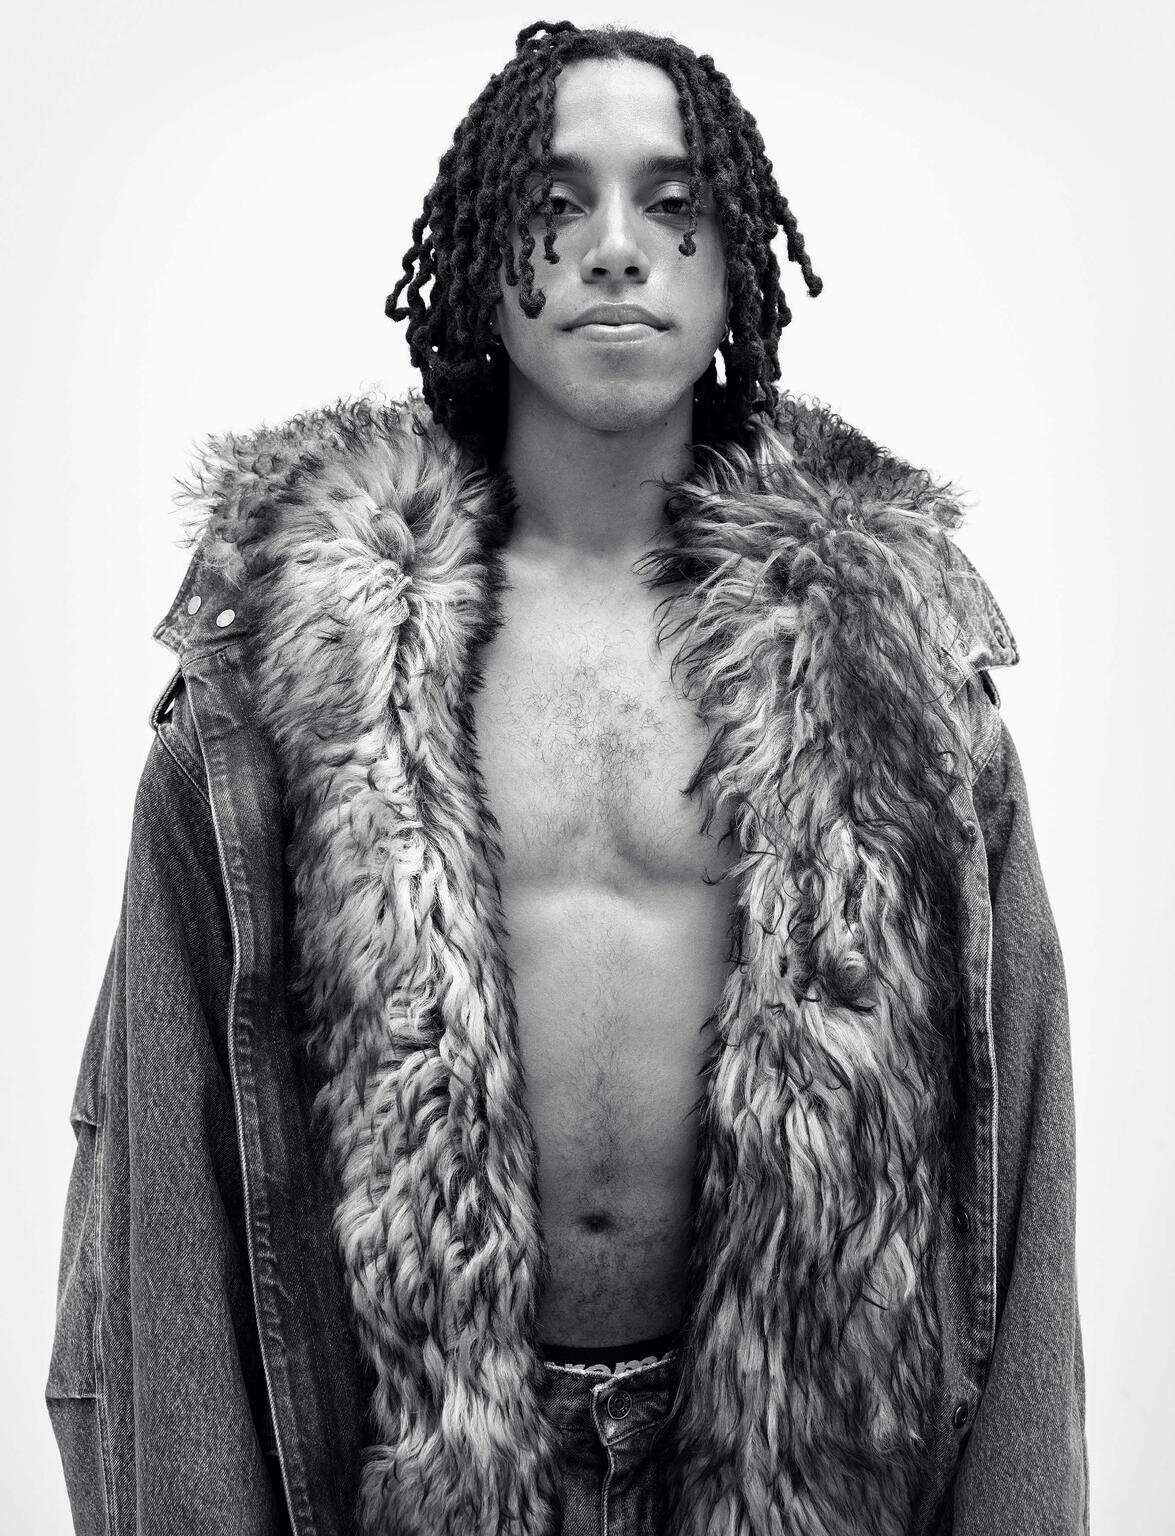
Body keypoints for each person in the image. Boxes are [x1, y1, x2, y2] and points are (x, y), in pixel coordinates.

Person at [46, 18, 1088, 1536]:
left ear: (737, 268)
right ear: (485, 259)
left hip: (792, 1471)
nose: (616, 248)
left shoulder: (896, 675)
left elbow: (1018, 1167)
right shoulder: (282, 678)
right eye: (556, 202)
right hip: (410, 1468)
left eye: (673, 204)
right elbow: (166, 1185)